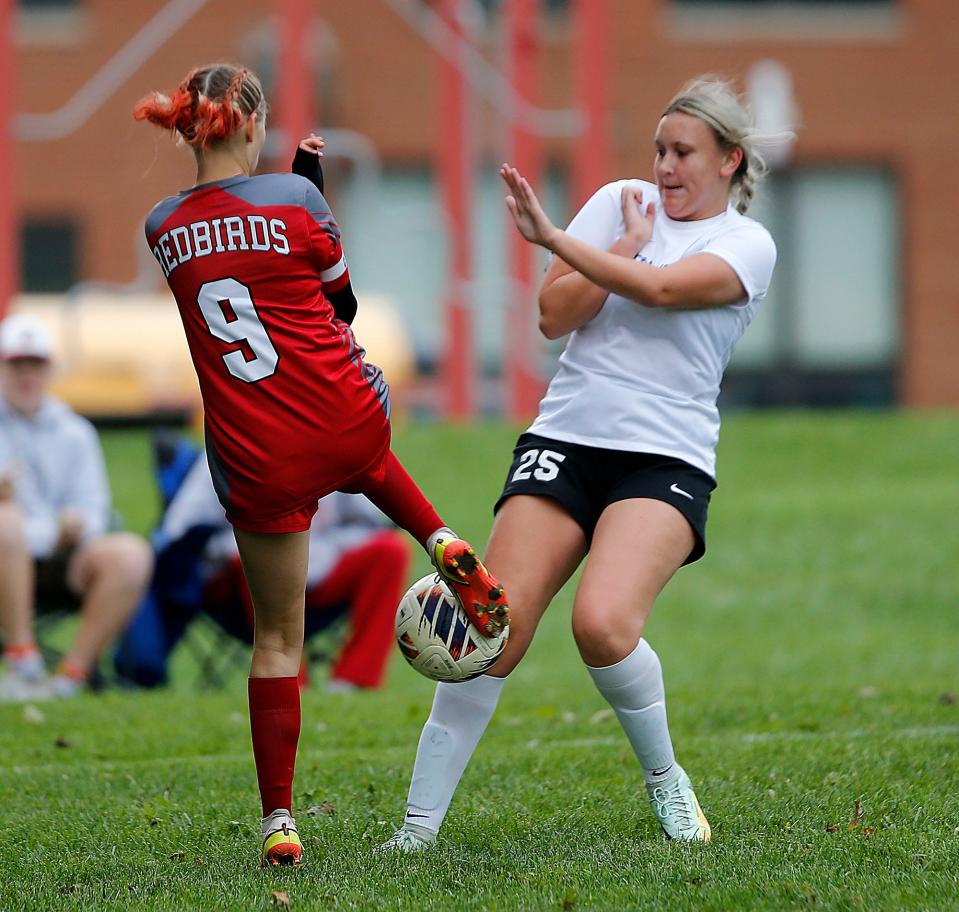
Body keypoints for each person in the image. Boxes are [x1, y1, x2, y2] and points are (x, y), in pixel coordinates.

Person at [381, 77, 779, 851]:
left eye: (683, 153)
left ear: (729, 161)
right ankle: (417, 831)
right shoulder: (620, 204)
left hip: (664, 457)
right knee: (493, 624)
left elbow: (663, 291)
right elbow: (551, 314)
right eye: (659, 149)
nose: (664, 167)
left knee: (601, 626)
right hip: (565, 439)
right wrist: (616, 244)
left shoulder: (744, 243)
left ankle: (666, 783)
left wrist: (559, 241)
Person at [133, 62, 508, 867]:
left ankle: (279, 820)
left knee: (277, 639)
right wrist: (313, 193)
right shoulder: (299, 200)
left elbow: (234, 261)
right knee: (365, 444)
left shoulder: (160, 226)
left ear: (185, 129)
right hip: (340, 418)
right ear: (253, 124)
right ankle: (438, 538)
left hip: (256, 449)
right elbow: (335, 305)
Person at [114, 446, 410, 692]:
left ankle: (352, 681)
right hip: (242, 585)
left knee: (391, 550)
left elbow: (372, 522)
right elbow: (178, 530)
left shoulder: (328, 443)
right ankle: (291, 682)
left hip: (321, 566)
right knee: (255, 553)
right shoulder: (228, 446)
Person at [0, 314, 153, 701]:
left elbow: (95, 511)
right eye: (17, 364)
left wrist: (74, 527)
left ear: (48, 370)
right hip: (7, 553)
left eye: (34, 365)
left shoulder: (75, 432)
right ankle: (23, 660)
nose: (26, 375)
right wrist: (49, 529)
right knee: (5, 522)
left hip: (63, 558)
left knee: (131, 554)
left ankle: (70, 676)